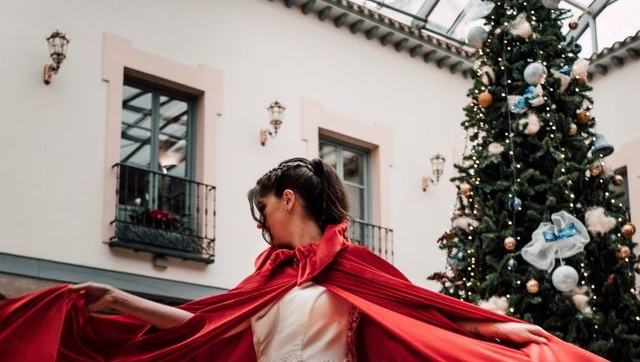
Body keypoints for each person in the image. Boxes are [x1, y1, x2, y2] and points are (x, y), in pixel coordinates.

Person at [0, 158, 608, 361]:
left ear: (287, 200)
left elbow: (427, 320)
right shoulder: (268, 277)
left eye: (263, 208)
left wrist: (498, 327)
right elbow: (205, 330)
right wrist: (117, 300)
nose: (261, 223)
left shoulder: (357, 265)